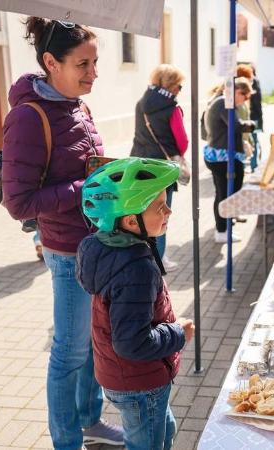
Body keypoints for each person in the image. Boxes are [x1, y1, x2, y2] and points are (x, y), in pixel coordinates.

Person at [1, 17, 123, 449]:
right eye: (83, 64)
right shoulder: (28, 118)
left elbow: (82, 169)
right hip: (67, 252)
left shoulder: (77, 106)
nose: (93, 74)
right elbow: (18, 202)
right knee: (69, 354)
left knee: (92, 345)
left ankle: (90, 420)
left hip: (95, 244)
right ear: (51, 62)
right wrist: (85, 187)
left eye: (95, 63)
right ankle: (66, 440)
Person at [77, 158, 195, 450]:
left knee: (165, 429)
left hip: (124, 377)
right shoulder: (135, 269)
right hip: (140, 383)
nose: (168, 211)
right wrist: (178, 333)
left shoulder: (106, 251)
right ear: (131, 221)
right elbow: (132, 343)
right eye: (160, 207)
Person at [130, 64, 189, 272]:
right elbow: (182, 142)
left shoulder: (141, 103)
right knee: (161, 215)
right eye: (179, 86)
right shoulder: (172, 108)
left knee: (142, 214)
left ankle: (143, 257)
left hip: (138, 166)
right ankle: (159, 260)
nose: (179, 90)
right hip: (162, 169)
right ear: (171, 85)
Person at [203, 78, 256, 244]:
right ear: (237, 91)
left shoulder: (222, 102)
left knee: (223, 193)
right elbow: (236, 126)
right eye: (245, 96)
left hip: (221, 155)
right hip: (223, 158)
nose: (245, 100)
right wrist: (252, 124)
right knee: (225, 195)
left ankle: (223, 228)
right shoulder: (225, 103)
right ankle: (222, 230)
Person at [249, 64, 264, 173]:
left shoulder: (252, 82)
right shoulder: (255, 81)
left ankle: (254, 164)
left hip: (251, 117)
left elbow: (257, 102)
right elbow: (258, 102)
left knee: (253, 141)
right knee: (254, 140)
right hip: (253, 117)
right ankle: (254, 165)